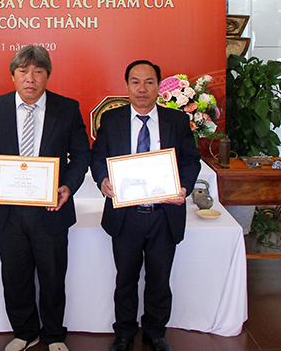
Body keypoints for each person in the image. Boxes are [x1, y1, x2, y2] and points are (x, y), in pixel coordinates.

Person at [0, 45, 91, 351]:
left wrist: (67, 187)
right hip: (8, 211)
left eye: (38, 71)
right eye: (23, 71)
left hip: (51, 209)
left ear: (47, 75)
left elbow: (81, 155)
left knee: (53, 277)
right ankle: (25, 331)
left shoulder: (67, 108)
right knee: (15, 276)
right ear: (13, 75)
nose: (30, 78)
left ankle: (53, 334)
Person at [90, 60, 201, 351]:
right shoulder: (112, 121)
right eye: (136, 82)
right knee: (125, 278)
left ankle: (155, 332)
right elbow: (97, 158)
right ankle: (124, 332)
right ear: (127, 86)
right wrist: (103, 180)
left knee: (159, 279)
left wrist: (184, 188)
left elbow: (190, 160)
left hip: (164, 214)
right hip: (125, 215)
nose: (142, 89)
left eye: (149, 82)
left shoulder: (176, 121)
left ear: (158, 87)